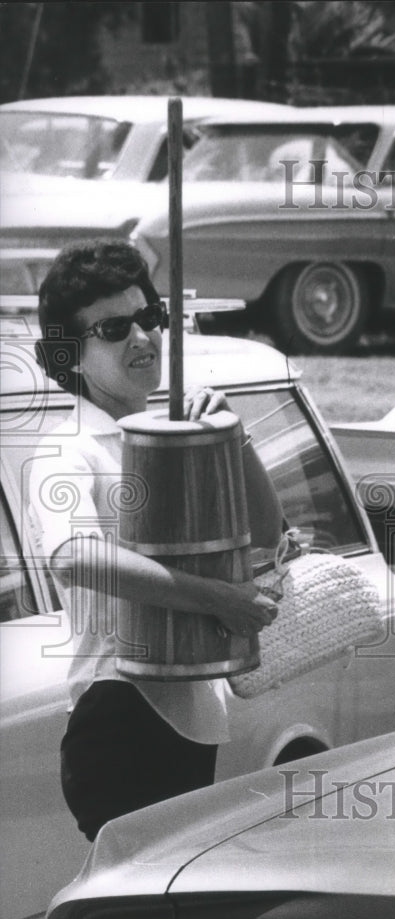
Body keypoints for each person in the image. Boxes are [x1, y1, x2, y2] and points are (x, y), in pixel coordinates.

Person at [30, 239, 283, 841]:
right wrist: (215, 599)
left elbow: (268, 534)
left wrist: (232, 436)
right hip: (119, 716)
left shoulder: (185, 433)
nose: (142, 339)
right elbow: (74, 557)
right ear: (70, 355)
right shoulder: (69, 450)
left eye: (151, 317)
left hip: (192, 716)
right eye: (114, 328)